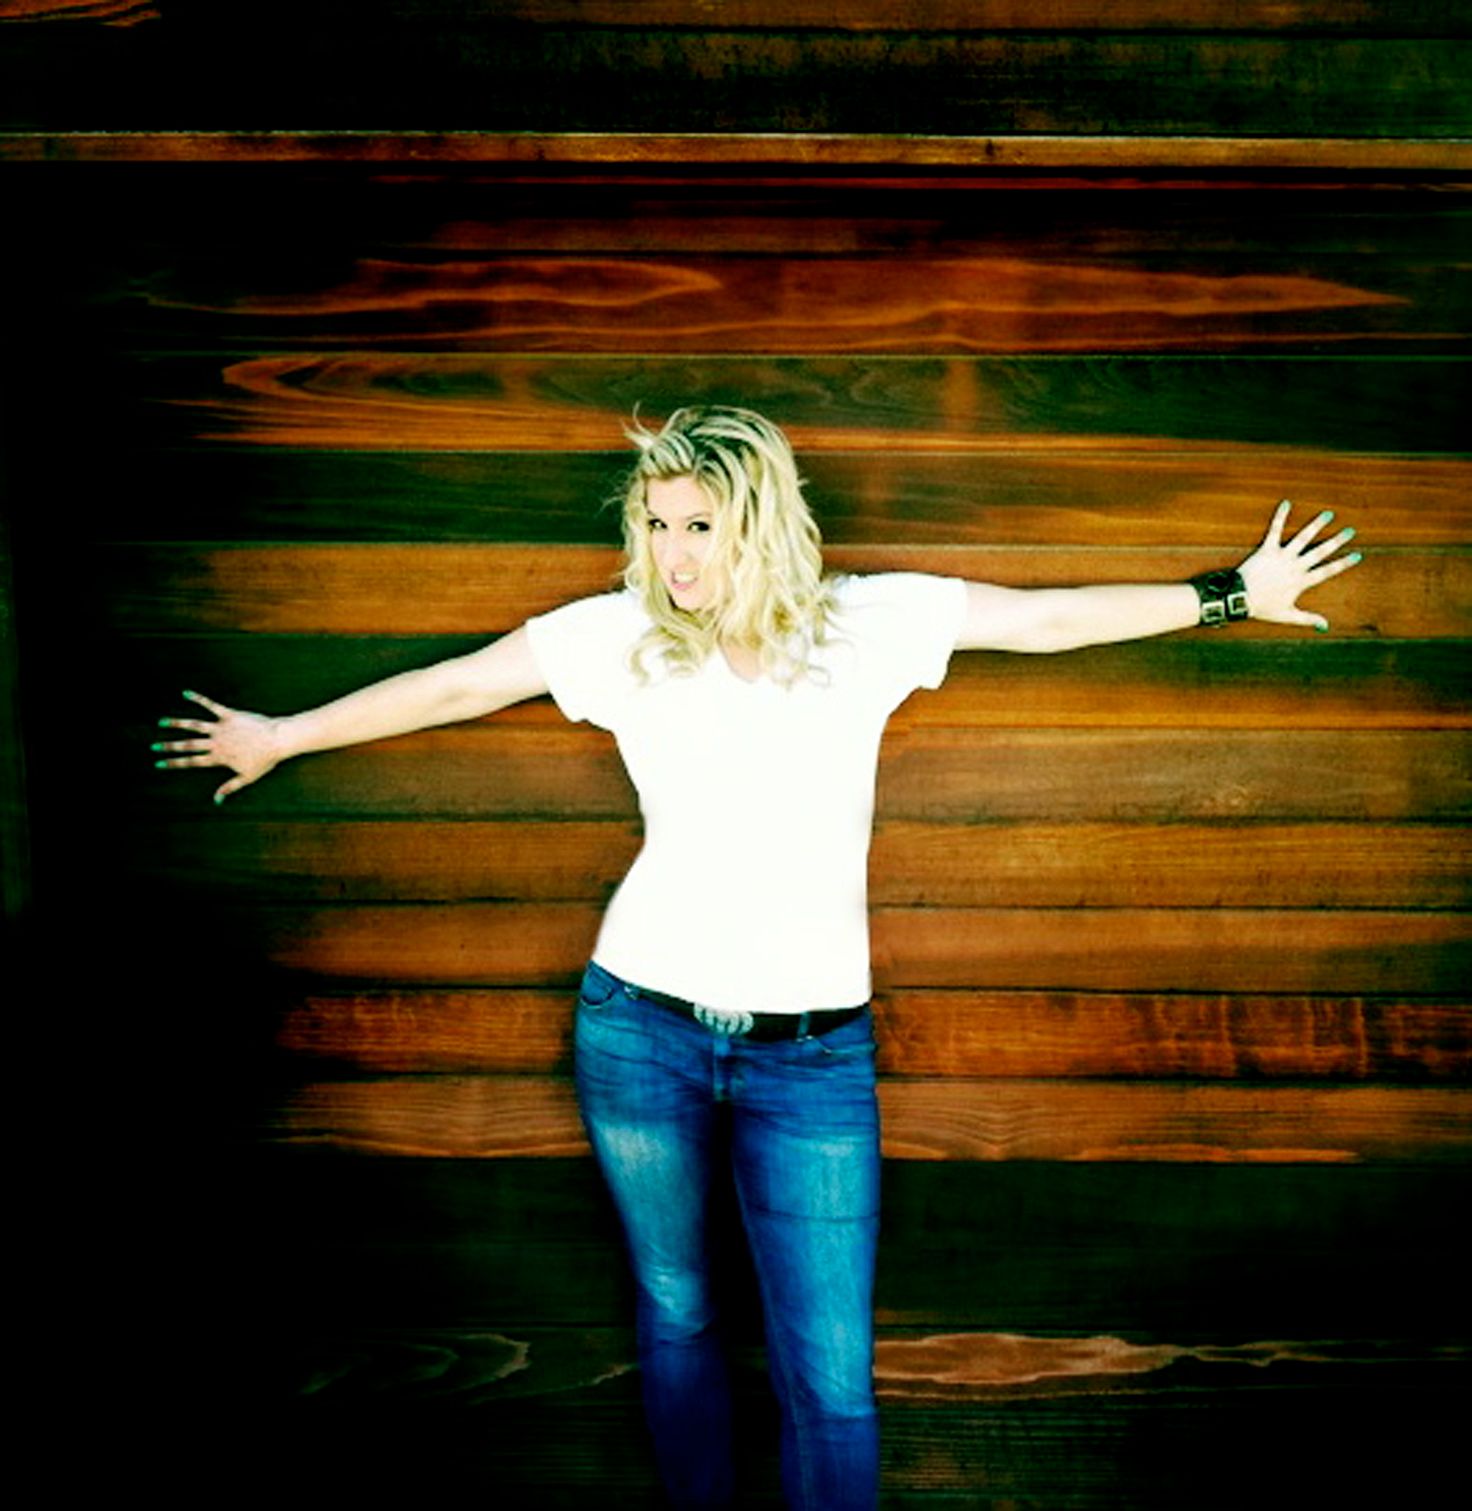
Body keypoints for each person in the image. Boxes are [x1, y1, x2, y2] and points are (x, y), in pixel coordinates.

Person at [154, 406, 1360, 1509]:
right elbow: (454, 686)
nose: (673, 554)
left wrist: (1227, 594)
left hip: (812, 1059)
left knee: (830, 1377)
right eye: (656, 523)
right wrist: (281, 735)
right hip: (638, 1029)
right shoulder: (618, 637)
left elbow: (1043, 619)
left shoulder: (865, 624)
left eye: (700, 525)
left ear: (760, 519)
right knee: (677, 1308)